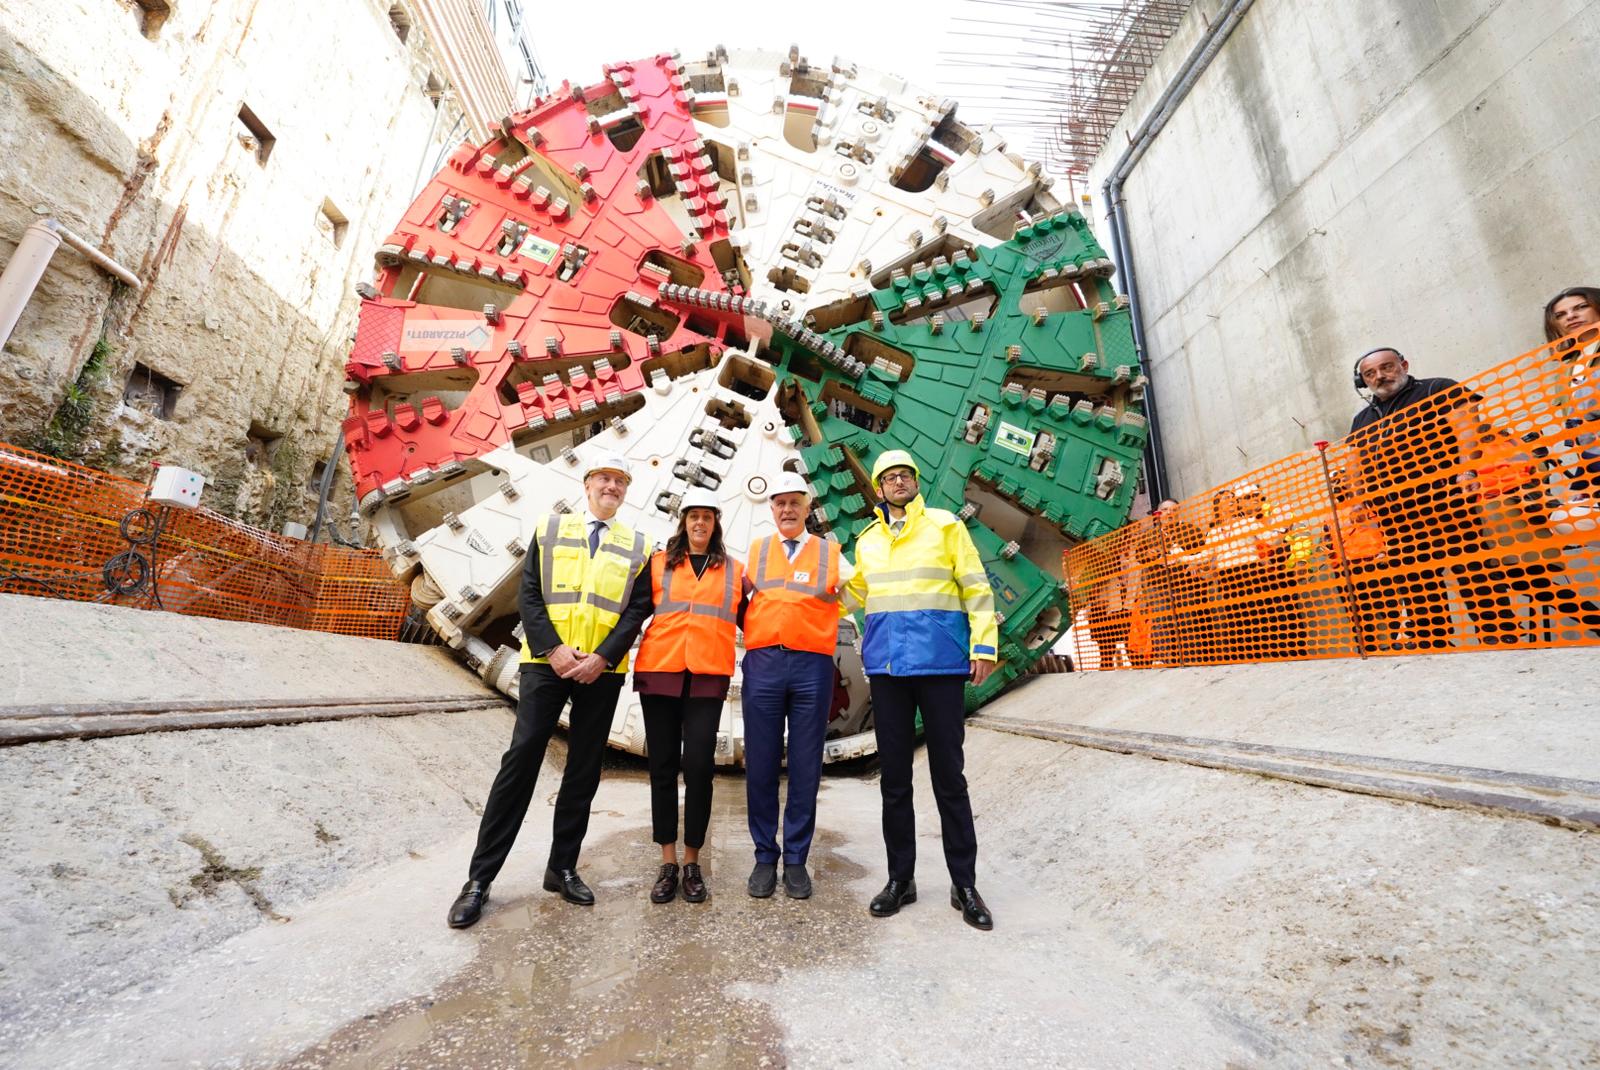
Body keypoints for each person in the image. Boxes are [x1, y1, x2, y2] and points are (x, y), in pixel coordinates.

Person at [447, 454, 653, 928]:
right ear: (587, 484)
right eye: (605, 478)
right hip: (546, 663)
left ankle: (562, 868)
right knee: (520, 763)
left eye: (620, 481)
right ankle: (479, 880)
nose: (612, 487)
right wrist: (555, 650)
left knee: (583, 770)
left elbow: (636, 609)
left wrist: (601, 657)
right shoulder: (551, 529)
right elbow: (530, 594)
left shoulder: (639, 545)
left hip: (602, 671)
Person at [841, 450, 999, 931]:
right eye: (888, 477)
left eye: (904, 474)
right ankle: (900, 879)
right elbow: (853, 596)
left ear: (915, 481)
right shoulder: (866, 541)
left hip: (941, 665)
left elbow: (976, 586)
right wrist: (806, 589)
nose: (897, 482)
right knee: (895, 781)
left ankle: (964, 884)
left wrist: (985, 647)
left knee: (950, 776)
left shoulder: (946, 526)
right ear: (878, 488)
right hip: (889, 669)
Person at [631, 487, 744, 905]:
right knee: (661, 767)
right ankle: (667, 862)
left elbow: (760, 615)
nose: (699, 523)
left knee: (698, 767)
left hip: (707, 677)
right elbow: (633, 613)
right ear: (683, 521)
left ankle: (693, 861)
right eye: (693, 516)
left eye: (707, 517)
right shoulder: (659, 564)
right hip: (659, 672)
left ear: (715, 524)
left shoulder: (734, 571)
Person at [741, 471, 849, 900]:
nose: (787, 510)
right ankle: (765, 857)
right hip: (764, 663)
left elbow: (861, 597)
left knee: (806, 766)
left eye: (795, 503)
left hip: (812, 666)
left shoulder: (832, 554)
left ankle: (797, 860)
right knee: (762, 763)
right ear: (772, 509)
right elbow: (737, 599)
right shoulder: (756, 551)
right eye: (780, 503)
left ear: (808, 509)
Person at [1132, 499, 1207, 665]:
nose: (1169, 513)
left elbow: (1203, 552)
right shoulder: (1149, 535)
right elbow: (1139, 556)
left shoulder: (1190, 530)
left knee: (1187, 621)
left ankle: (1192, 660)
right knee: (1161, 623)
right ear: (1158, 514)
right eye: (1165, 510)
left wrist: (1195, 563)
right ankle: (1165, 661)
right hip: (1157, 586)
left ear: (1178, 512)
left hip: (1184, 584)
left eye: (1173, 510)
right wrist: (1148, 555)